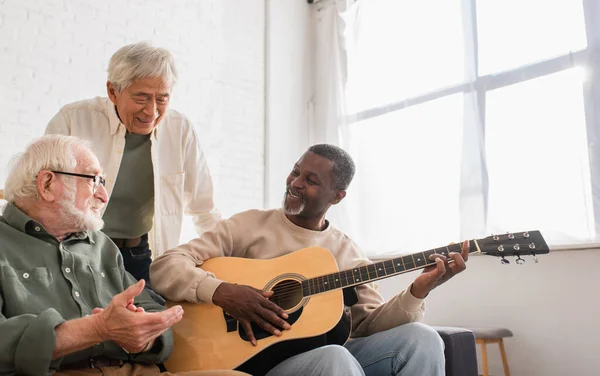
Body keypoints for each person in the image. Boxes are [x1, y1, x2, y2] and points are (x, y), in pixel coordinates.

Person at [150, 144, 470, 376]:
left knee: (423, 338)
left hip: (322, 357)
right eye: (295, 171)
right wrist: (221, 291)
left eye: (311, 180)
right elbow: (166, 266)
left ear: (337, 196)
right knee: (334, 359)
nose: (295, 183)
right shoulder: (247, 226)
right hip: (255, 360)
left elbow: (367, 324)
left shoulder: (345, 253)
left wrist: (417, 291)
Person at [0, 135, 245, 376]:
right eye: (93, 180)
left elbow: (151, 311)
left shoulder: (101, 245)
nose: (104, 196)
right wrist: (96, 328)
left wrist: (143, 336)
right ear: (47, 185)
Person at [45, 42, 220, 285]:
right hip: (79, 252)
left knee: (152, 320)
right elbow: (42, 196)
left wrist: (227, 264)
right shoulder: (72, 121)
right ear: (113, 92)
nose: (152, 111)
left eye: (162, 99)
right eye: (142, 97)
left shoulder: (180, 130)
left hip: (141, 256)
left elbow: (204, 208)